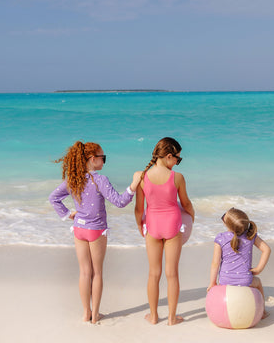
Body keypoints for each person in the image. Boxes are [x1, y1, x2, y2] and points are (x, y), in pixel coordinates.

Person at [49, 141, 141, 324]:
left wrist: (68, 214)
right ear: (93, 159)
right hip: (96, 230)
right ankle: (96, 315)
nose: (104, 161)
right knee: (97, 273)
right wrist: (133, 185)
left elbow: (54, 198)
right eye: (103, 158)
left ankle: (85, 313)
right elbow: (120, 202)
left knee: (84, 273)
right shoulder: (100, 180)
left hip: (79, 229)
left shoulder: (73, 180)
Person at [133, 137, 195, 326]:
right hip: (173, 226)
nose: (177, 161)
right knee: (172, 273)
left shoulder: (142, 176)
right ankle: (171, 318)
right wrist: (192, 215)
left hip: (152, 226)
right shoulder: (177, 177)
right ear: (169, 156)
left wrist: (140, 226)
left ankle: (153, 316)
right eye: (178, 158)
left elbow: (138, 208)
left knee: (154, 273)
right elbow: (185, 203)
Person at [207, 207, 271, 319]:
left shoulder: (220, 238)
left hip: (225, 281)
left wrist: (212, 283)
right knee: (258, 282)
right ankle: (262, 312)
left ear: (227, 225)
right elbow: (266, 249)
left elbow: (215, 263)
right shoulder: (250, 236)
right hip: (245, 281)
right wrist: (258, 269)